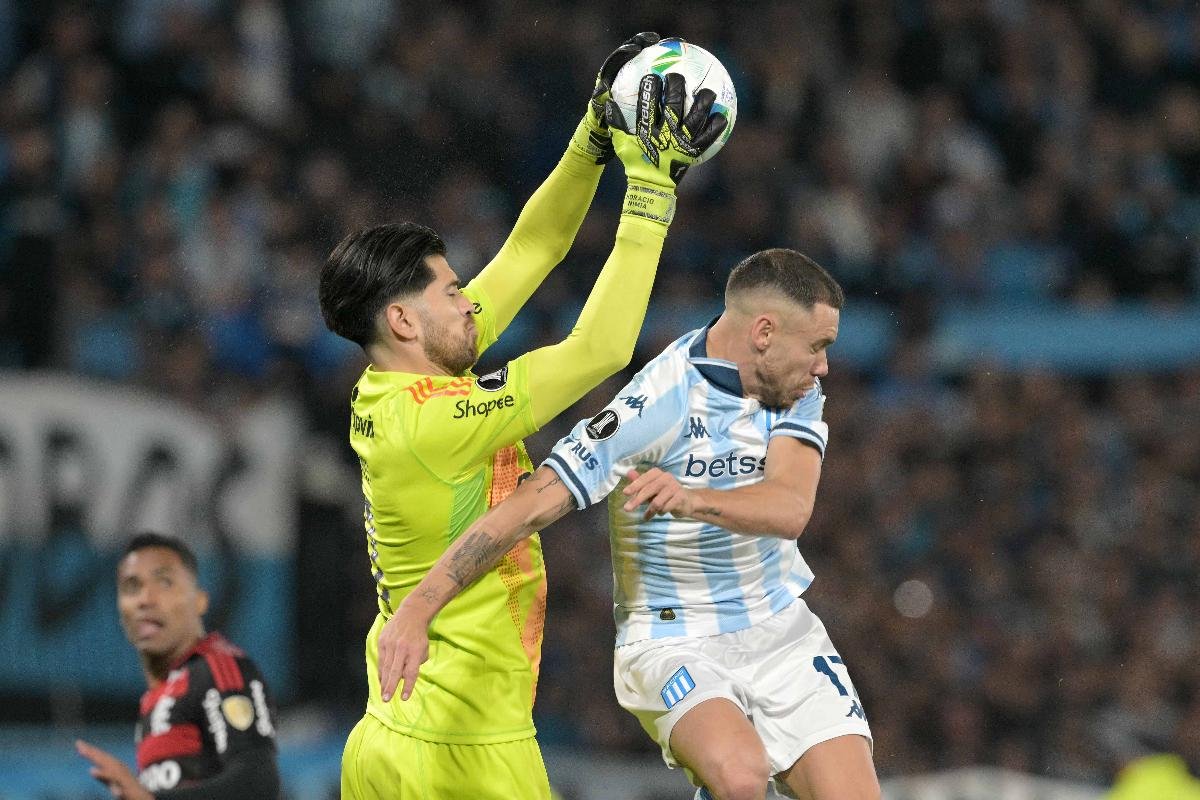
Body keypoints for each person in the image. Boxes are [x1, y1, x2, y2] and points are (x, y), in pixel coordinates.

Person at [317, 32, 729, 800]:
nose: (469, 300)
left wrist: (594, 133)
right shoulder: (438, 421)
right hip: (466, 750)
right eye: (450, 293)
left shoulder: (389, 387)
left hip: (388, 737)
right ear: (404, 322)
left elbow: (534, 246)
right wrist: (651, 189)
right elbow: (603, 348)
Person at [383, 249, 881, 800]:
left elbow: (790, 508)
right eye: (817, 347)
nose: (824, 366)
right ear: (764, 331)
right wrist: (417, 606)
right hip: (672, 638)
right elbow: (526, 508)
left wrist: (692, 499)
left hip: (780, 630)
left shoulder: (795, 391)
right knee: (740, 776)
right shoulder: (655, 403)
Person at [75, 533, 281, 799]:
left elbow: (258, 783)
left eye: (164, 583)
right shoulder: (159, 697)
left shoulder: (218, 668)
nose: (145, 599)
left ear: (199, 601)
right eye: (131, 586)